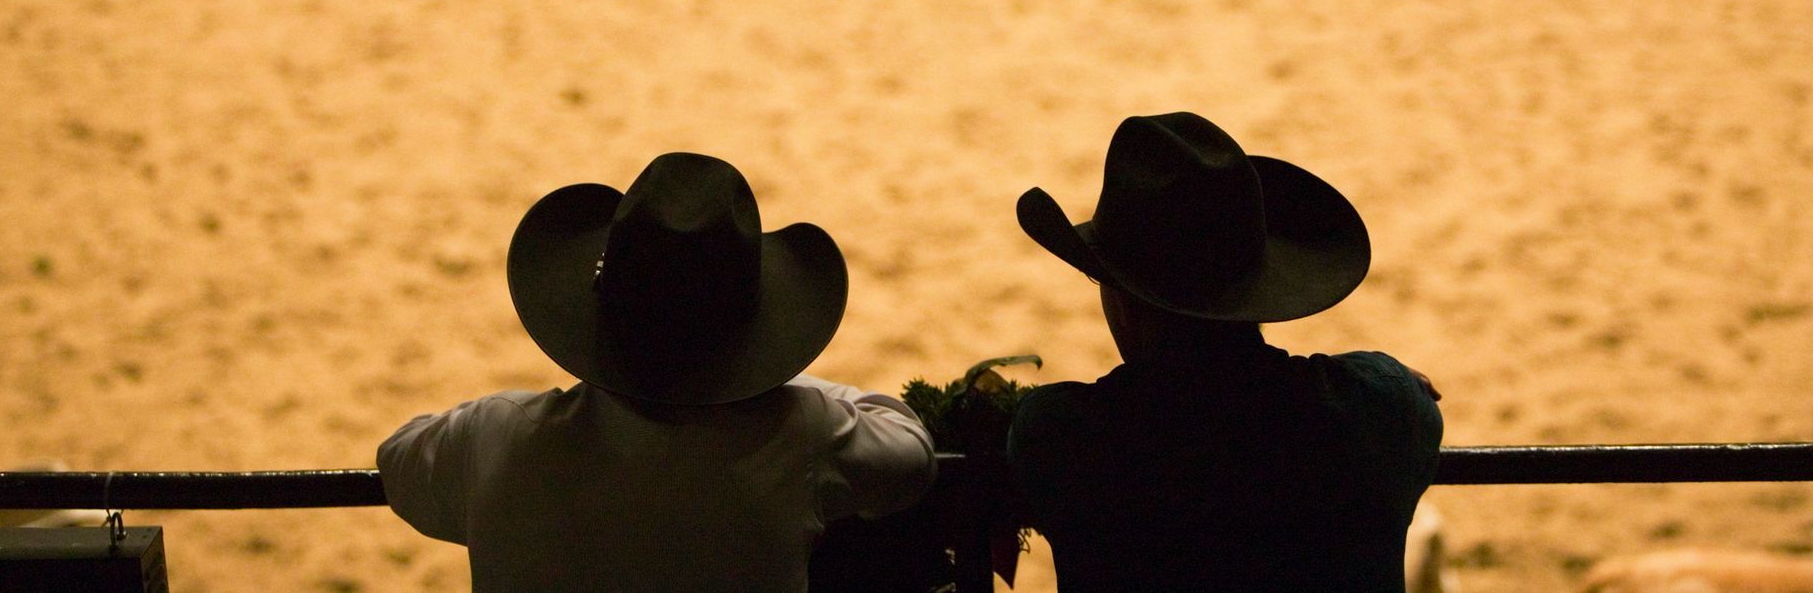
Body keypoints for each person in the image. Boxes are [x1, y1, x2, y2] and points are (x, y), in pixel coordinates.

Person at [379, 151, 938, 593]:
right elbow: (910, 455)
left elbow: (398, 458)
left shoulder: (495, 434)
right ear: (752, 342)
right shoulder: (800, 434)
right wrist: (786, 388)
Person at [1008, 112, 1444, 593]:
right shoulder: (1381, 409)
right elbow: (1399, 397)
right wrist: (1390, 380)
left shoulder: (1062, 437)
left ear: (1125, 300)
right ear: (1262, 288)